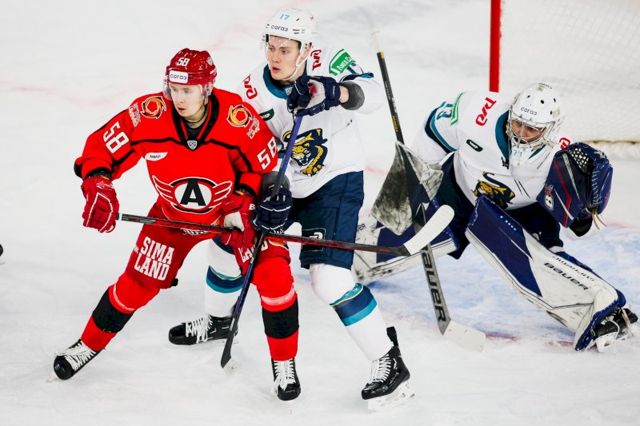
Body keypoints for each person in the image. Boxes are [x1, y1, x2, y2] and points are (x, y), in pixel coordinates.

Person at [168, 8, 413, 409]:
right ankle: (218, 320)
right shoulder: (251, 89)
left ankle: (388, 360)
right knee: (227, 242)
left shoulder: (329, 61)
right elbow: (251, 152)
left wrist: (334, 92)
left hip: (334, 182)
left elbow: (370, 94)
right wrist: (266, 192)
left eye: (285, 49)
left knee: (329, 280)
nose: (275, 56)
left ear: (305, 49)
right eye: (271, 47)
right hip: (281, 184)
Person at [53, 48, 302, 399]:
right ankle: (87, 345)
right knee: (135, 285)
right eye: (174, 88)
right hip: (171, 217)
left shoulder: (237, 118)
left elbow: (263, 167)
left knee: (275, 278)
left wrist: (250, 199)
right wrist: (98, 183)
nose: (179, 98)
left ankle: (284, 363)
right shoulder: (149, 114)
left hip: (231, 215)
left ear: (207, 88)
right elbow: (101, 148)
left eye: (188, 90)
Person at [361, 82, 637, 351]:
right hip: (459, 189)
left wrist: (582, 214)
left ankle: (602, 308)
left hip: (524, 211)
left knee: (540, 261)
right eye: (517, 124)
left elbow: (578, 230)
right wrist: (404, 194)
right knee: (404, 234)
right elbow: (433, 130)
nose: (521, 133)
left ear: (550, 130)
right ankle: (357, 259)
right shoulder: (476, 111)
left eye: (531, 129)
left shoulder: (561, 157)